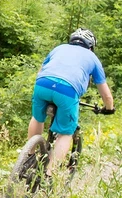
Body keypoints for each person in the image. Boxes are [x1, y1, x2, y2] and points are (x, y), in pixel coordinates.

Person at [27, 28, 115, 178]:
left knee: (37, 117)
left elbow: (40, 71)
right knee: (66, 133)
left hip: (42, 84)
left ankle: (28, 157)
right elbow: (106, 95)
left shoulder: (59, 48)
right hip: (67, 90)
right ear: (91, 46)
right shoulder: (93, 58)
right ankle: (48, 174)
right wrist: (109, 108)